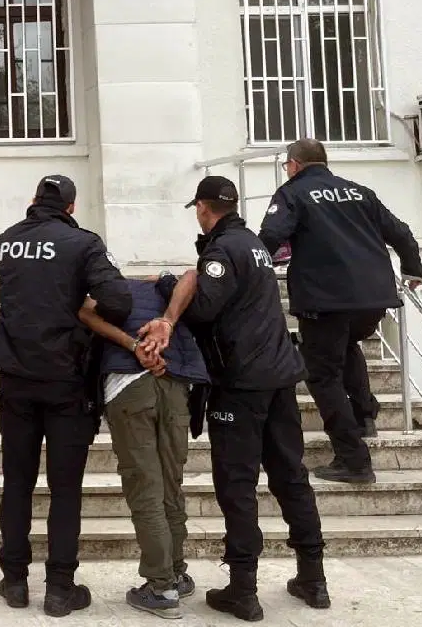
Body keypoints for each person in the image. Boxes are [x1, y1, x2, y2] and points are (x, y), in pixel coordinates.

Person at [140, 175, 330, 622]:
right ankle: (313, 578)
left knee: (237, 484)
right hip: (279, 376)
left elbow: (204, 310)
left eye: (198, 209)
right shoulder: (254, 244)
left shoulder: (222, 250)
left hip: (243, 383)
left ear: (203, 208)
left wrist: (168, 286)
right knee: (291, 476)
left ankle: (243, 589)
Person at [0, 174, 132, 617]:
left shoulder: (6, 242)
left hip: (16, 378)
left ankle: (15, 581)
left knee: (17, 481)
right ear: (71, 207)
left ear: (33, 200)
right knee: (65, 488)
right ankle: (59, 589)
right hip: (66, 381)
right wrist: (85, 308)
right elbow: (119, 301)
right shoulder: (83, 244)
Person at [257, 138, 422, 484]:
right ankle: (364, 415)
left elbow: (271, 236)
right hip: (373, 298)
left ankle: (353, 460)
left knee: (322, 374)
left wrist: (251, 270)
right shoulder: (359, 192)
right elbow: (401, 232)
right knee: (345, 345)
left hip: (327, 298)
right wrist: (413, 270)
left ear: (294, 164)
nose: (287, 171)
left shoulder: (293, 193)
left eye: (287, 166)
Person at [77, 277, 209, 619]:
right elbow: (192, 274)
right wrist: (166, 321)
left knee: (145, 487)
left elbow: (85, 312)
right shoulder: (168, 289)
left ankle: (161, 587)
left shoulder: (110, 292)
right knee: (170, 484)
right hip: (175, 384)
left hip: (129, 387)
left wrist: (134, 344)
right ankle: (175, 573)